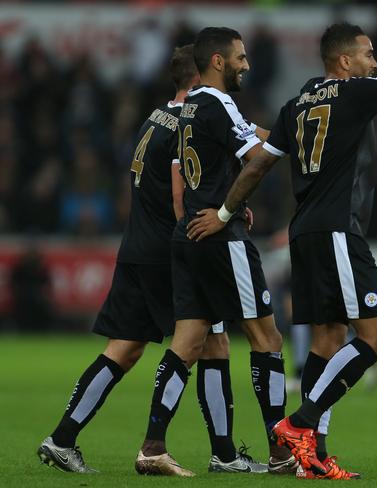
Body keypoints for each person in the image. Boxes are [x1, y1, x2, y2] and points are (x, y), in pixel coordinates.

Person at [195, 16, 377, 479]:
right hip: (338, 232)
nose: (374, 61)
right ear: (345, 61)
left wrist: (225, 213)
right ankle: (298, 425)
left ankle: (314, 457)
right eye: (368, 54)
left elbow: (256, 167)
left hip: (303, 233)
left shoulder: (297, 103)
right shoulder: (356, 91)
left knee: (327, 341)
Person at [36, 45, 253, 475]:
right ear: (201, 78)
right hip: (170, 250)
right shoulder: (190, 122)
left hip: (136, 245)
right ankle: (217, 453)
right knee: (211, 343)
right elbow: (179, 194)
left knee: (124, 349)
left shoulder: (156, 118)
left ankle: (62, 439)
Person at [135, 27, 296, 476]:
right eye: (241, 57)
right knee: (268, 339)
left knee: (190, 342)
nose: (247, 64)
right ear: (219, 62)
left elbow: (242, 140)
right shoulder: (219, 102)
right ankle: (282, 452)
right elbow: (258, 157)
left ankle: (153, 447)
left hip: (188, 234)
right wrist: (227, 210)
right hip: (219, 237)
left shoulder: (189, 107)